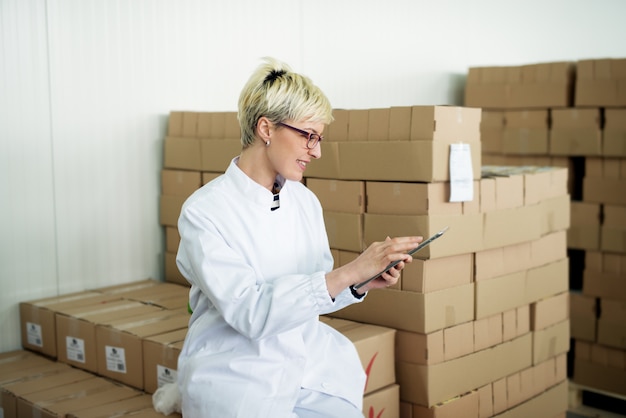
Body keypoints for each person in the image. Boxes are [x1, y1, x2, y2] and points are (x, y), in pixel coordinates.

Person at [156, 57, 422, 418]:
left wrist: (360, 282)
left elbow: (315, 295)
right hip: (238, 378)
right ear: (266, 128)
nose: (317, 151)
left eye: (320, 138)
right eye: (308, 136)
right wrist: (348, 272)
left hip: (304, 365)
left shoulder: (304, 202)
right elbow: (251, 313)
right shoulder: (205, 212)